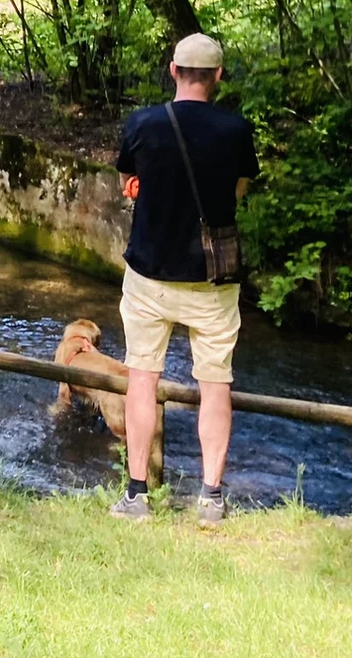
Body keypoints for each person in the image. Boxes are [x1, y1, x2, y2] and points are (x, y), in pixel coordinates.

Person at [109, 33, 258, 527]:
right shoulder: (236, 131)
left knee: (142, 380)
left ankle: (136, 496)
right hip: (212, 281)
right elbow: (237, 193)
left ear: (173, 71)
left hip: (149, 274)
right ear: (217, 76)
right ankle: (211, 498)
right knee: (216, 384)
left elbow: (131, 181)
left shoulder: (143, 124)